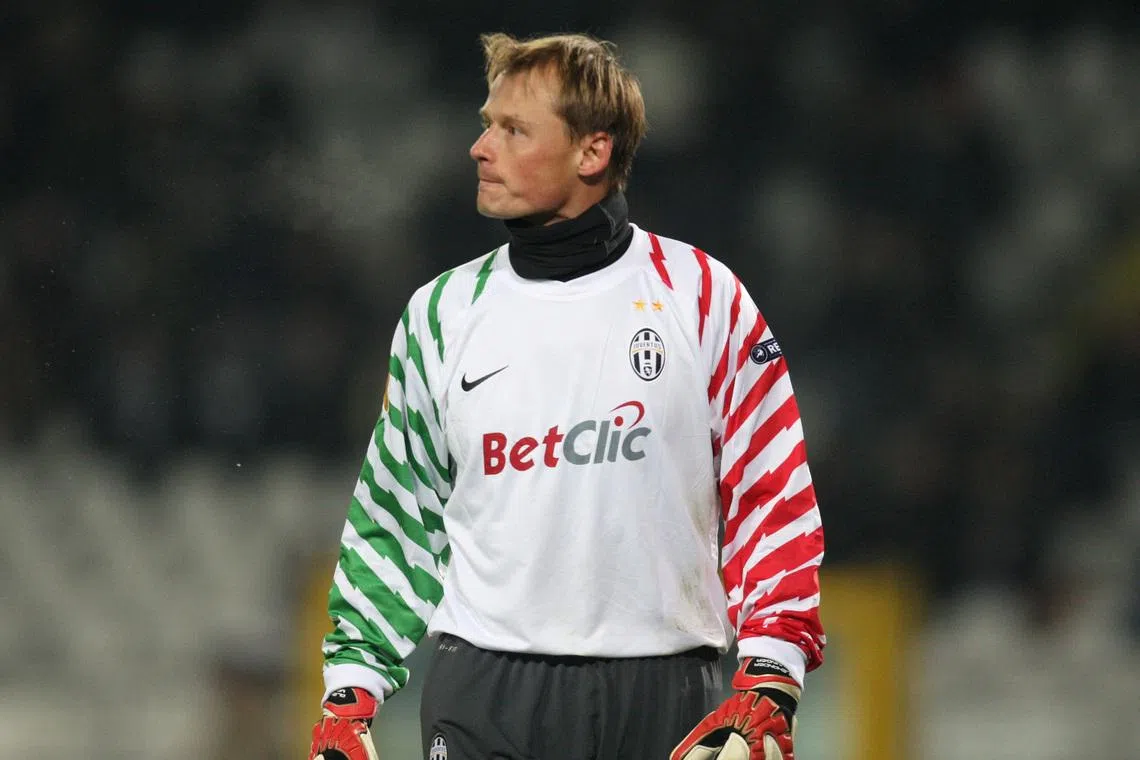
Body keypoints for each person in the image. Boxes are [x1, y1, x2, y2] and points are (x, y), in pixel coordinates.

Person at [309, 31, 826, 760]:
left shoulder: (707, 298)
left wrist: (771, 677)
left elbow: (773, 498)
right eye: (487, 123)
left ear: (593, 152)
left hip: (670, 690)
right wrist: (349, 693)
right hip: (482, 690)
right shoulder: (439, 313)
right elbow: (396, 513)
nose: (479, 147)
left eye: (512, 129)